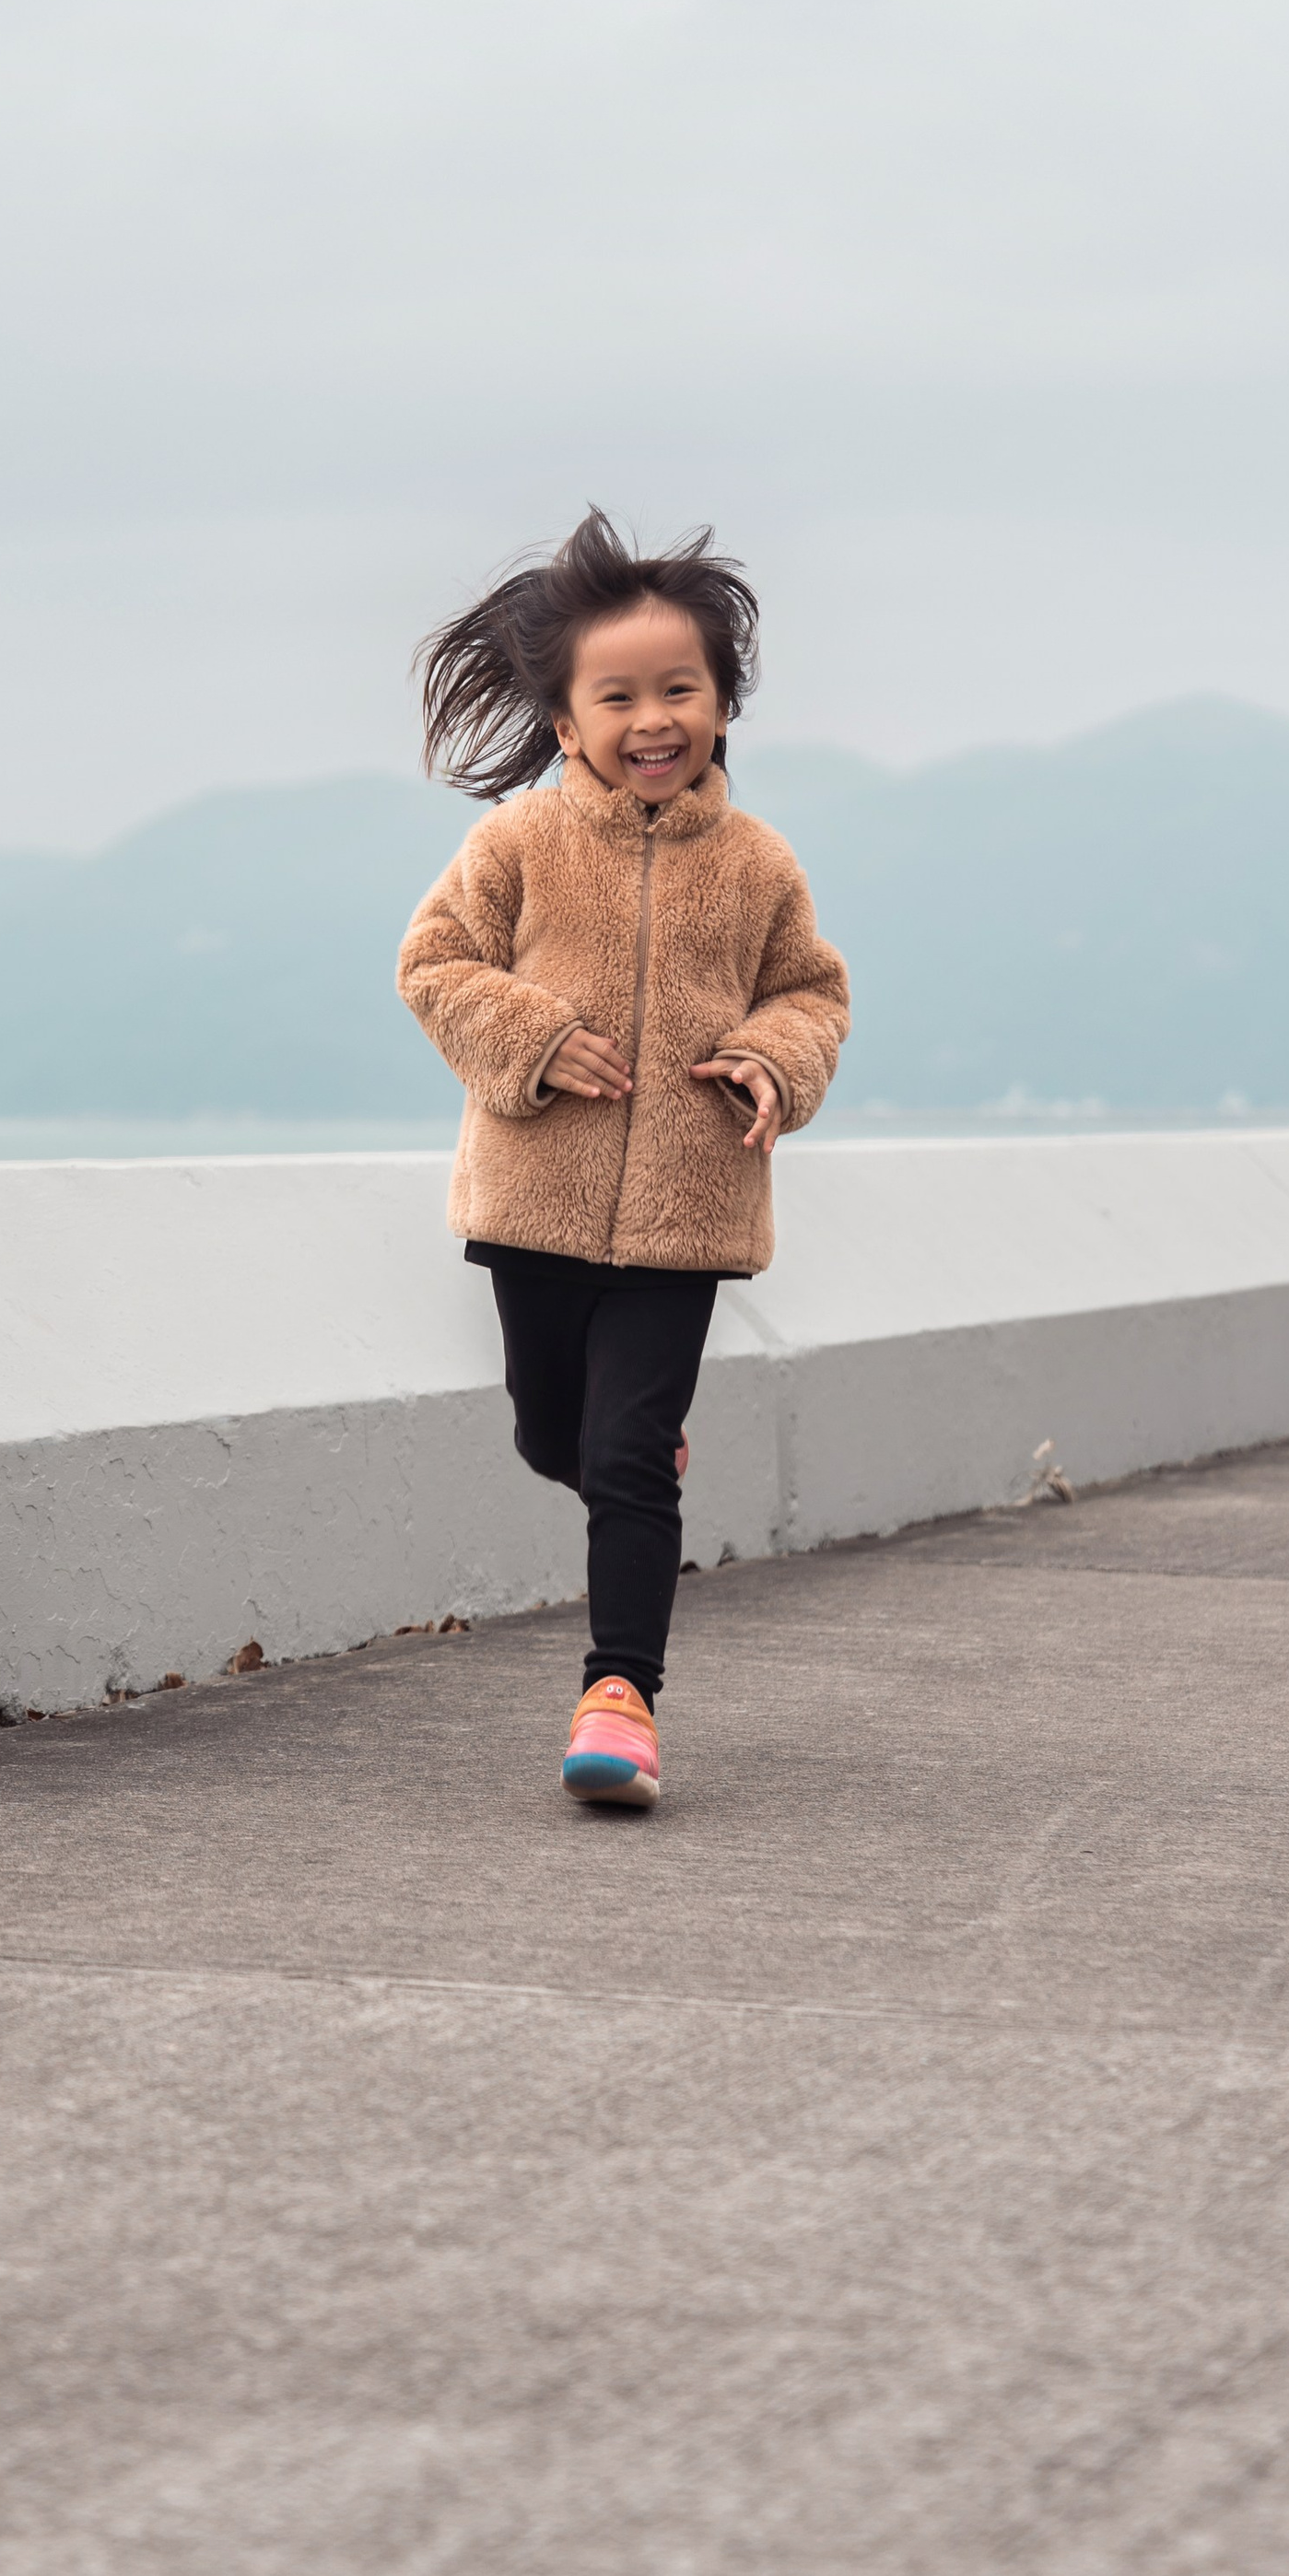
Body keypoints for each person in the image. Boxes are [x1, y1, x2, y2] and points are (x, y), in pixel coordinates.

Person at [397, 508, 849, 1811]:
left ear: (720, 706)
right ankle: (613, 1456)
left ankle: (621, 1698)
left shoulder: (759, 864)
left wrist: (773, 1061)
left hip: (685, 1212)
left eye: (680, 690)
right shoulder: (518, 846)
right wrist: (534, 1038)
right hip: (533, 1201)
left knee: (629, 1460)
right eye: (620, 696)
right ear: (568, 724)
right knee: (556, 1433)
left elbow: (811, 995)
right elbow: (433, 966)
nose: (654, 718)